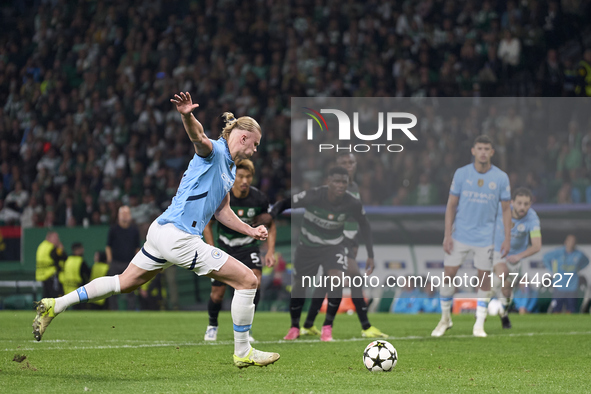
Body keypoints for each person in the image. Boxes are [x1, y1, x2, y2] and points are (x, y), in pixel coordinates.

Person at [32, 92, 279, 368]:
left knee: (124, 283)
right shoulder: (215, 152)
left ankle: (56, 304)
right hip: (179, 237)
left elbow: (222, 211)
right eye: (255, 144)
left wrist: (250, 230)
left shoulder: (230, 170)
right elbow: (198, 137)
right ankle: (243, 351)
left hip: (160, 231)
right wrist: (187, 115)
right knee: (248, 281)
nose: (256, 150)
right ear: (243, 138)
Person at [267, 166, 375, 342]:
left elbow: (365, 225)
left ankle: (327, 328)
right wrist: (270, 214)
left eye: (344, 182)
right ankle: (294, 326)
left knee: (336, 279)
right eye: (336, 181)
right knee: (300, 286)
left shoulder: (352, 203)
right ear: (328, 182)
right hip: (308, 247)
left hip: (333, 247)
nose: (340, 185)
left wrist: (370, 254)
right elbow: (285, 203)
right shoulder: (314, 196)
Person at [298, 153, 387, 338]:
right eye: (343, 162)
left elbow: (357, 219)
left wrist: (355, 242)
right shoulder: (329, 191)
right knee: (354, 276)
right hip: (334, 240)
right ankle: (365, 326)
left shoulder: (353, 188)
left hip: (347, 241)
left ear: (355, 165)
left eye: (351, 162)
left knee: (326, 282)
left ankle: (307, 324)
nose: (348, 165)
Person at [431, 135, 512, 338]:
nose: (483, 152)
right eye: (480, 148)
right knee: (448, 274)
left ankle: (479, 324)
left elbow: (506, 210)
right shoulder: (461, 174)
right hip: (460, 235)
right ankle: (445, 319)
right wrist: (447, 234)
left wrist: (507, 238)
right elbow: (451, 205)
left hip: (486, 237)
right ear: (473, 151)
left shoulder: (501, 178)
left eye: (487, 148)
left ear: (492, 152)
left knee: (483, 280)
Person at [202, 158, 276, 342]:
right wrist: (211, 248)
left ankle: (246, 329)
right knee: (217, 294)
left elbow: (270, 224)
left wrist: (270, 251)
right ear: (233, 177)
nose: (245, 181)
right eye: (241, 176)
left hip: (247, 246)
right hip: (224, 248)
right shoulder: (222, 196)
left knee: (255, 281)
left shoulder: (259, 198)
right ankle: (212, 325)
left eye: (248, 176)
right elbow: (207, 225)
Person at [492, 187, 542, 328]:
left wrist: (518, 256)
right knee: (502, 273)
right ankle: (481, 309)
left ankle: (504, 313)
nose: (522, 207)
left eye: (526, 204)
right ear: (512, 202)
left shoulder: (532, 218)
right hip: (496, 251)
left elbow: (537, 246)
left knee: (506, 291)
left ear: (530, 204)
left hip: (514, 258)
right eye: (519, 203)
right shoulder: (500, 209)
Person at [106, 205, 140, 310]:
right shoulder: (113, 229)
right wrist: (110, 261)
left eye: (127, 213)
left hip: (129, 264)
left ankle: (131, 310)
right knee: (112, 288)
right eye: (123, 213)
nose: (125, 216)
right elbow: (108, 247)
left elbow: (137, 248)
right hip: (116, 263)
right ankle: (113, 310)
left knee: (131, 289)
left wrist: (137, 263)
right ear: (118, 215)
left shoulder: (134, 230)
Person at [543, 234, 589, 313]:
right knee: (556, 309)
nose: (571, 243)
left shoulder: (579, 254)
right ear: (565, 242)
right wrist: (552, 269)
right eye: (570, 241)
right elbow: (545, 257)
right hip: (559, 285)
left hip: (572, 286)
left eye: (573, 241)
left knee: (570, 309)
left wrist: (579, 268)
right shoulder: (558, 252)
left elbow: (587, 261)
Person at [35, 231, 66, 298]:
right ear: (49, 238)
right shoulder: (51, 247)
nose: (57, 240)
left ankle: (43, 308)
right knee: (56, 296)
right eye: (55, 238)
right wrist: (60, 248)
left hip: (41, 275)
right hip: (51, 274)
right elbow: (62, 256)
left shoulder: (41, 246)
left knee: (46, 296)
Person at [60, 242, 91, 309]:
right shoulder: (80, 261)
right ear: (78, 249)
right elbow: (87, 275)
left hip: (66, 289)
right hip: (78, 290)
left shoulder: (67, 259)